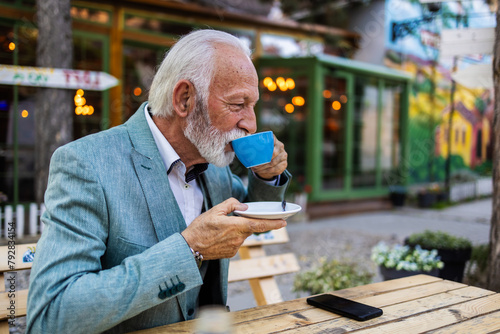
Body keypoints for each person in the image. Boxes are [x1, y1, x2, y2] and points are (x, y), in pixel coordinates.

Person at [26, 29, 291, 333]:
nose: (251, 123)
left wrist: (265, 175)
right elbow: (51, 316)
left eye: (252, 105)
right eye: (237, 104)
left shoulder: (214, 163)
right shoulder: (86, 164)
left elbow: (251, 218)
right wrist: (190, 248)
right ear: (184, 99)